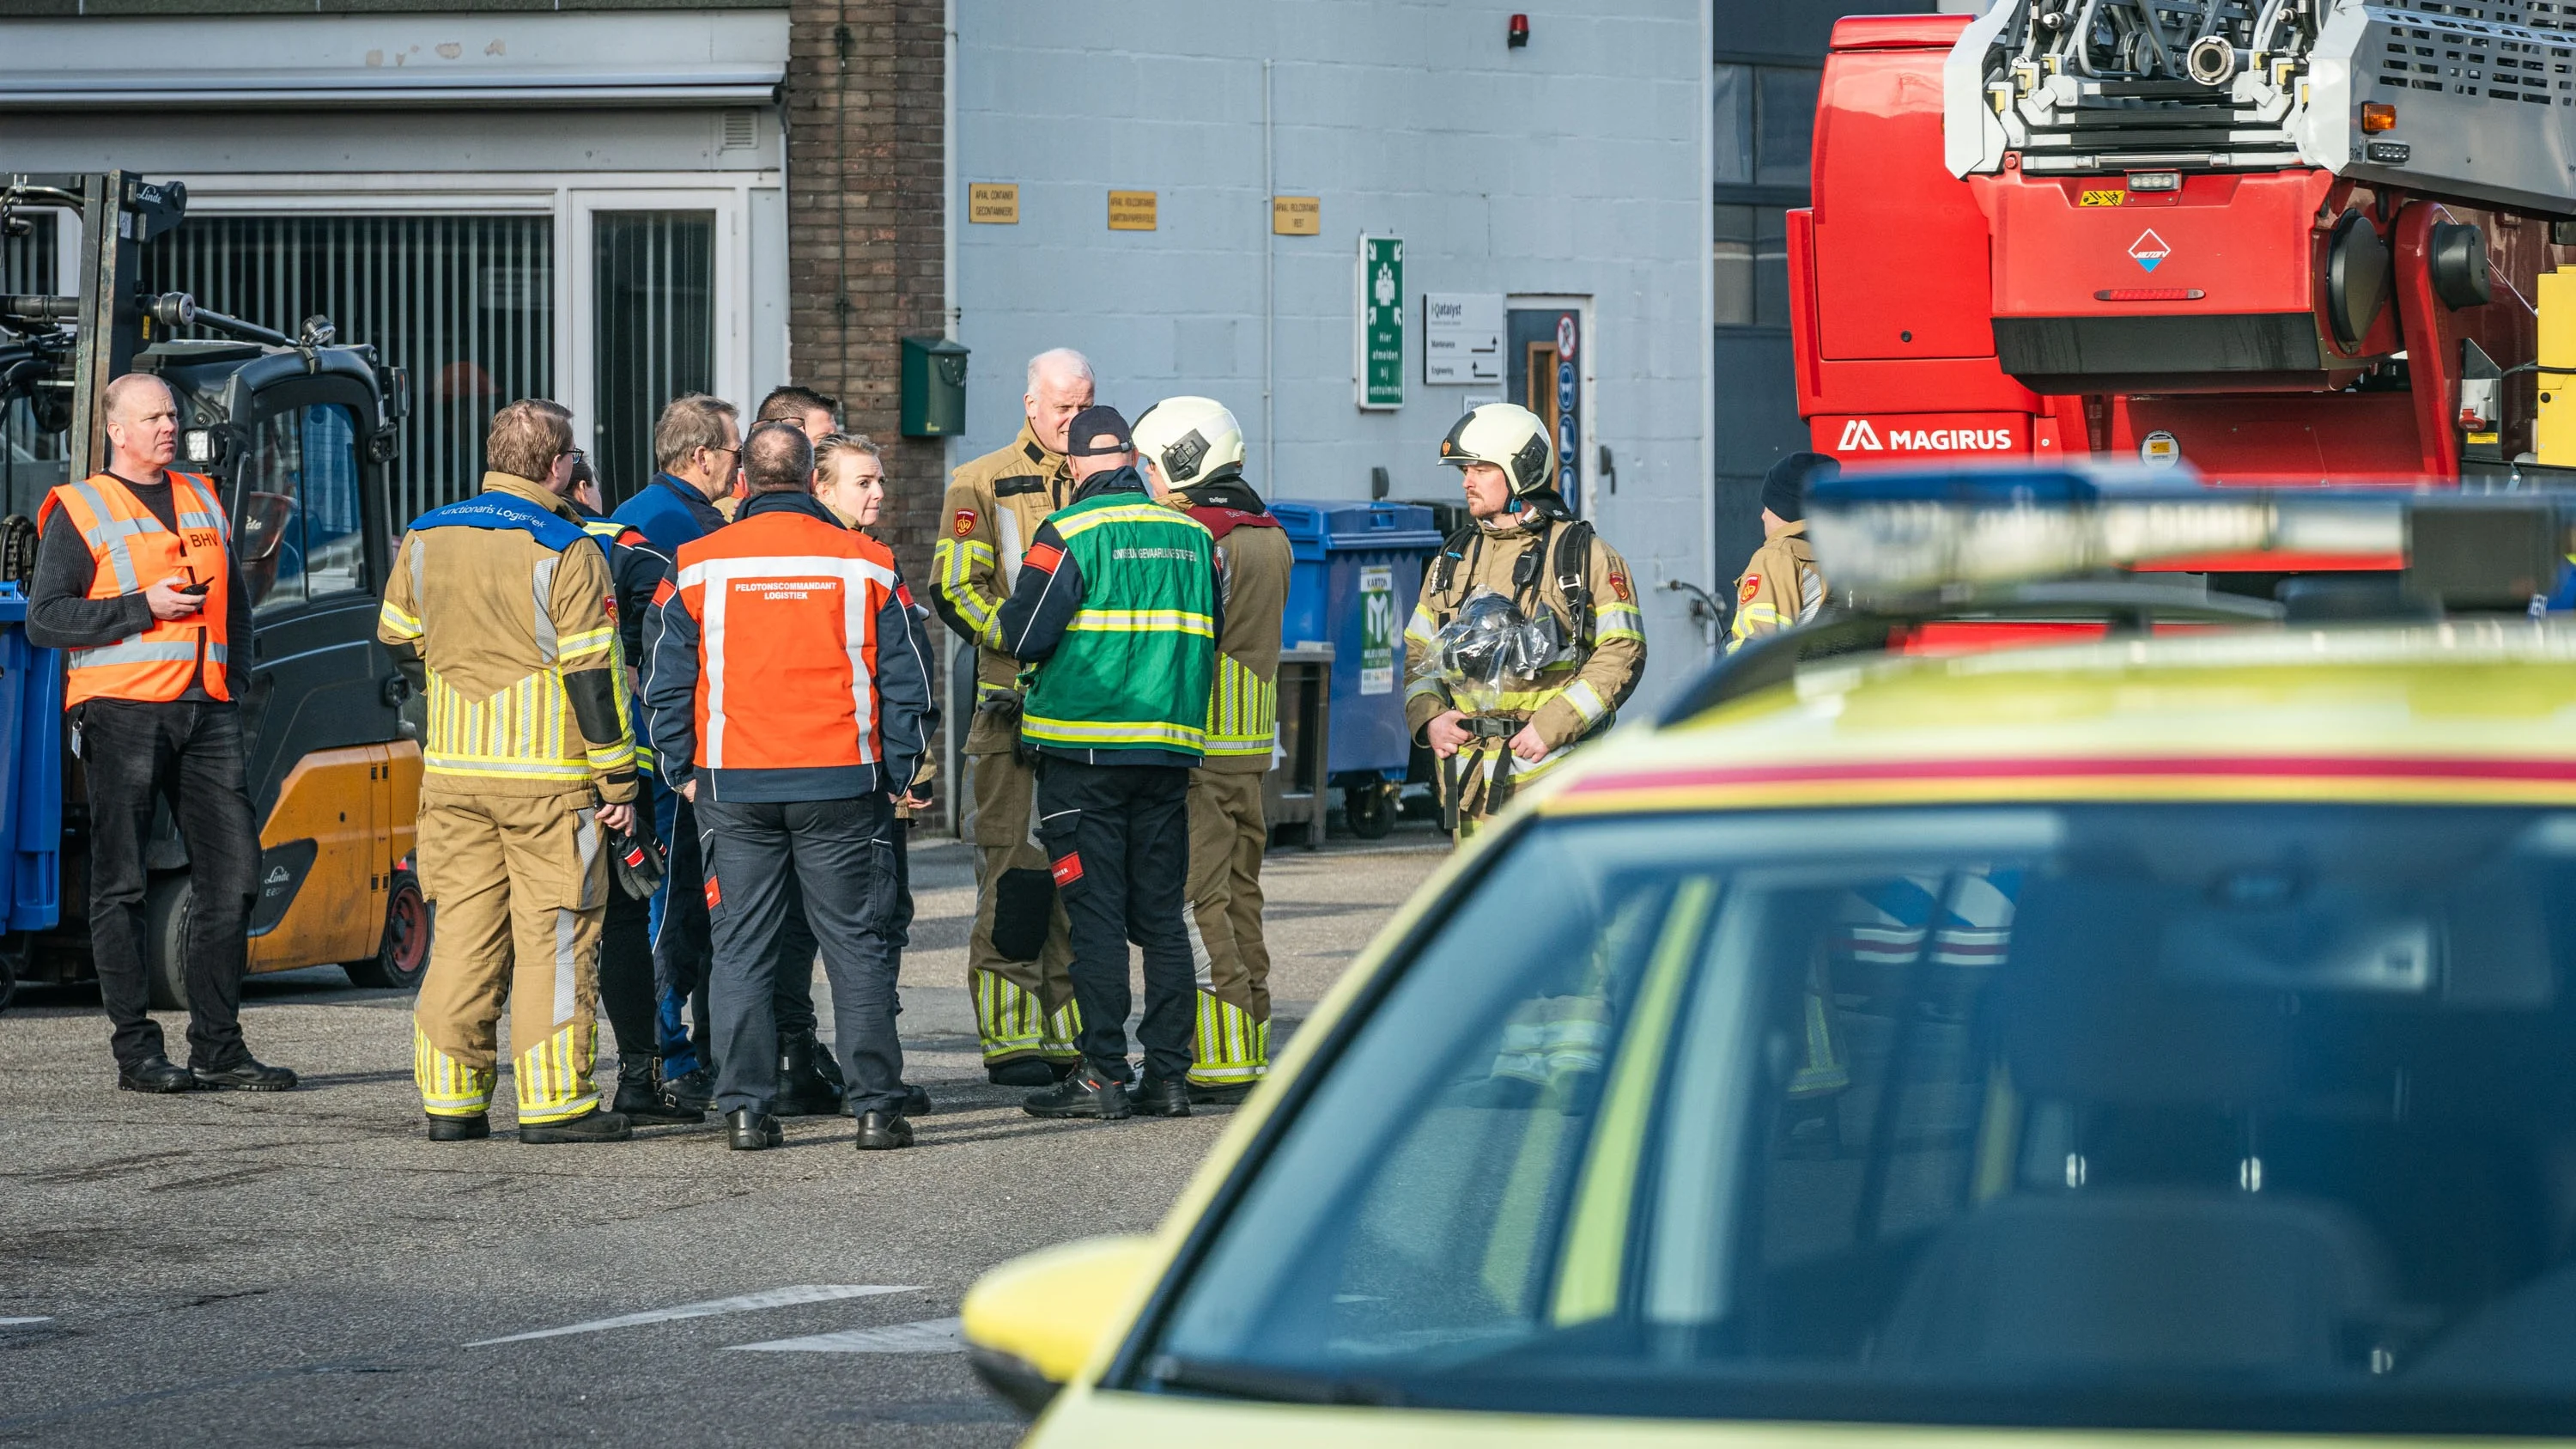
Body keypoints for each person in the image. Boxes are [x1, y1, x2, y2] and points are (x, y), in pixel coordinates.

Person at [645, 422, 933, 1152]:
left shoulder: (696, 563)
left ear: (744, 480)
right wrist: (897, 771)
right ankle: (875, 1108)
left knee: (741, 946)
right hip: (842, 779)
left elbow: (664, 681)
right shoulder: (868, 563)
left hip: (733, 781)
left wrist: (681, 768)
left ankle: (743, 1108)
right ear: (811, 480)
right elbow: (911, 680)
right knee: (855, 945)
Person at [378, 399, 640, 1142]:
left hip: (454, 777)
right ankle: (556, 1103)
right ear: (559, 466)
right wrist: (618, 785)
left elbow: (397, 637)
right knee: (555, 937)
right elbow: (594, 677)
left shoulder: (427, 533)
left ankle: (452, 1102)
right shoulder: (568, 546)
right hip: (549, 782)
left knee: (461, 933)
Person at [28, 373, 294, 1094]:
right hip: (120, 712)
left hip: (205, 710)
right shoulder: (82, 510)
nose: (168, 427)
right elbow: (44, 617)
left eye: (172, 415)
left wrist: (233, 683)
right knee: (121, 883)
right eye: (152, 418)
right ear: (117, 430)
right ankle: (137, 1053)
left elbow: (234, 604)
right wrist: (139, 606)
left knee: (235, 875)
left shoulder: (202, 496)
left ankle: (217, 1045)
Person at [995, 405, 1221, 1121]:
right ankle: (1170, 1076)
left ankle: (1101, 1073)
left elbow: (1024, 633)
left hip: (1083, 752)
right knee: (1160, 916)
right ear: (1133, 459)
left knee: (1092, 915)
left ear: (1071, 467)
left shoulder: (1069, 530)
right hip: (1166, 752)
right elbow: (1207, 632)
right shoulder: (1193, 534)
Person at [933, 348, 1092, 1085]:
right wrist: (1019, 642)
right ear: (1032, 404)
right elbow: (955, 588)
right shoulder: (982, 480)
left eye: (1083, 405)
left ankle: (1067, 1032)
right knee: (1015, 872)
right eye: (1061, 407)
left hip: (1086, 712)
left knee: (1075, 877)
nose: (1072, 419)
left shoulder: (1105, 484)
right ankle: (1012, 1037)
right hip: (1011, 707)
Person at [1131, 396, 1291, 1104]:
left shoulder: (1200, 538)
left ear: (1181, 460)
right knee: (1241, 898)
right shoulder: (1267, 532)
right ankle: (1249, 1040)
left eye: (1150, 463)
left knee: (1197, 902)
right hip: (1249, 751)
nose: (1146, 477)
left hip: (1194, 750)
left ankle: (1220, 1055)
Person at [1402, 402, 1647, 837]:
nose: (1467, 481)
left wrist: (1552, 726)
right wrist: (1430, 718)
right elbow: (1420, 652)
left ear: (1520, 470)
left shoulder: (1583, 556)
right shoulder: (1453, 558)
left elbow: (1623, 650)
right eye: (1465, 470)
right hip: (1468, 787)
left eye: (1479, 468)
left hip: (1552, 781)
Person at [557, 437, 701, 1127]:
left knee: (526, 931)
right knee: (619, 919)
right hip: (608, 768)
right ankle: (638, 1078)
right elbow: (675, 612)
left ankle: (481, 1096)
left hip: (491, 772)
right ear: (579, 483)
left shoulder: (454, 533)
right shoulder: (613, 539)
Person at [609, 394, 738, 1112]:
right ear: (702, 457)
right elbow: (655, 643)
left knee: (660, 902)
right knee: (670, 904)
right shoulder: (685, 529)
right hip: (667, 751)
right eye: (735, 452)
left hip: (642, 741)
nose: (739, 465)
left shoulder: (634, 511)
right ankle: (662, 1057)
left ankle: (661, 1053)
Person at [1728, 451, 1836, 653]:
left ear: (1784, 508)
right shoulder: (1848, 556)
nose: (1762, 516)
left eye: (1768, 507)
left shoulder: (1777, 557)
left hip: (1792, 683)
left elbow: (1756, 652)